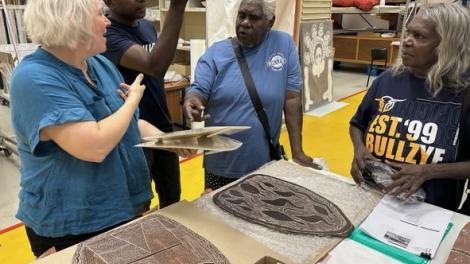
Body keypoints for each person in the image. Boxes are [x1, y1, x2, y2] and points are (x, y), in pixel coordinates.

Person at [9, 0, 191, 257]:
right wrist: (132, 101)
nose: (107, 21)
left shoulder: (99, 65)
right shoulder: (33, 78)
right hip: (71, 227)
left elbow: (130, 124)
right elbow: (94, 146)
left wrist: (167, 139)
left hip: (121, 211)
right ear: (73, 22)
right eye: (100, 15)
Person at [184, 0, 321, 192]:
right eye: (242, 15)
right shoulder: (217, 52)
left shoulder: (283, 45)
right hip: (222, 166)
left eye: (254, 18)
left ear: (270, 22)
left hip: (264, 163)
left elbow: (292, 99)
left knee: (261, 216)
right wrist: (193, 100)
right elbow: (199, 89)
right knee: (219, 218)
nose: (245, 23)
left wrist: (297, 151)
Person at [349, 2, 470, 212]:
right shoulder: (387, 80)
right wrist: (360, 149)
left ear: (446, 45)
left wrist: (428, 171)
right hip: (371, 201)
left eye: (420, 36)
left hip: (428, 214)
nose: (406, 41)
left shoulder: (463, 94)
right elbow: (357, 124)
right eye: (409, 32)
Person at [102, 0, 188, 208]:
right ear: (109, 2)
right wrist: (177, 6)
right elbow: (155, 66)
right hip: (135, 133)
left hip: (162, 125)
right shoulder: (108, 34)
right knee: (140, 205)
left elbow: (160, 64)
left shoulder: (148, 26)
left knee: (172, 196)